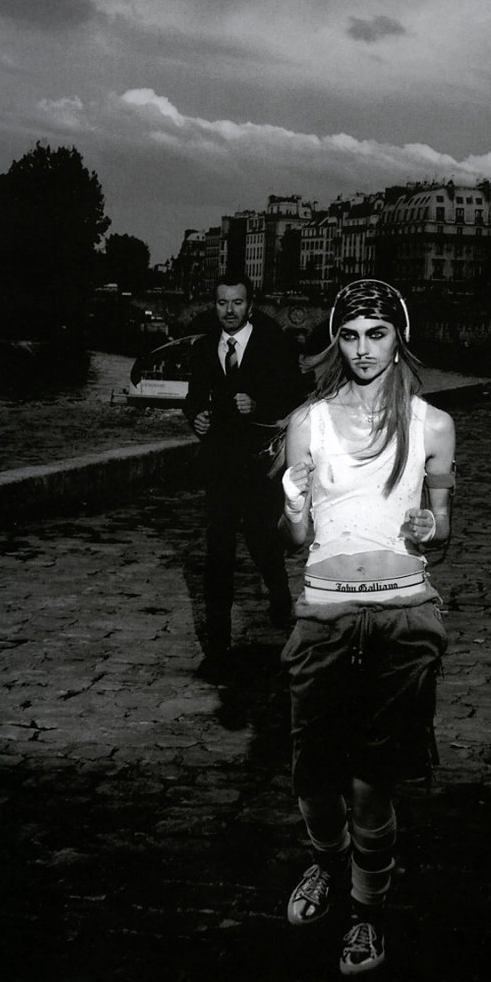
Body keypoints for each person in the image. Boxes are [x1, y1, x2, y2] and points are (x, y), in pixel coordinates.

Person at [278, 279, 455, 976]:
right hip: (324, 615)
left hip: (403, 618)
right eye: (350, 335)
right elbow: (295, 539)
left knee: (371, 782)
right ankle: (327, 863)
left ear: (398, 338)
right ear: (336, 340)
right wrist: (292, 510)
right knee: (313, 780)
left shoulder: (433, 425)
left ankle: (366, 911)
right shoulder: (308, 422)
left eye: (376, 334)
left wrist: (431, 526)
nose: (363, 349)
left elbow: (443, 534)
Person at [183, 275, 304, 681]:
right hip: (219, 467)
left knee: (262, 542)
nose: (229, 310)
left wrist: (259, 403)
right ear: (214, 305)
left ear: (250, 305)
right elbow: (193, 397)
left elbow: (295, 396)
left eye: (237, 303)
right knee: (218, 554)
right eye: (222, 303)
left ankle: (280, 594)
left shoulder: (273, 344)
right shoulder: (203, 348)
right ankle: (217, 650)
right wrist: (196, 417)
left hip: (259, 468)